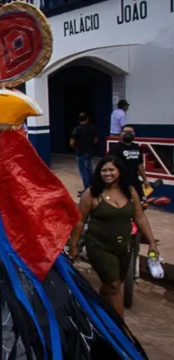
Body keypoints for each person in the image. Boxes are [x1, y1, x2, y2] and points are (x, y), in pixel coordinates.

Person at [69, 156, 159, 318]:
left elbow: (140, 217)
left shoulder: (130, 192)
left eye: (111, 170)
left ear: (119, 172)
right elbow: (80, 222)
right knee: (114, 286)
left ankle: (98, 303)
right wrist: (74, 246)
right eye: (104, 170)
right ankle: (121, 332)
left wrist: (152, 242)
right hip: (99, 246)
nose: (107, 173)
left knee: (113, 284)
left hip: (124, 247)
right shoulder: (91, 194)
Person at [108, 125, 150, 200]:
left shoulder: (137, 147)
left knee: (141, 202)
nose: (127, 134)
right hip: (120, 182)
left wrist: (145, 180)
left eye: (130, 132)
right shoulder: (115, 148)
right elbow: (109, 165)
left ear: (134, 134)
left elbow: (140, 165)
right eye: (125, 132)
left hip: (135, 181)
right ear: (121, 134)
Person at [70, 112, 98, 194]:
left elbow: (71, 143)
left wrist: (76, 147)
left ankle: (87, 191)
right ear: (87, 119)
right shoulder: (93, 128)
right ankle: (93, 188)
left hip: (81, 153)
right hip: (91, 152)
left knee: (84, 172)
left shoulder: (76, 129)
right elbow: (96, 140)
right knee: (90, 170)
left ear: (79, 120)